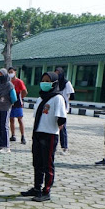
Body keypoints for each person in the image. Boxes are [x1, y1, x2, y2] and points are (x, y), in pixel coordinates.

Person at [20, 72, 67, 202]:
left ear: (54, 83)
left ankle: (46, 191)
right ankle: (36, 188)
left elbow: (61, 118)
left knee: (47, 164)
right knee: (37, 163)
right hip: (38, 132)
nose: (45, 83)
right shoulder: (41, 98)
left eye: (48, 81)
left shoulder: (58, 98)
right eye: (43, 80)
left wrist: (57, 128)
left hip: (50, 134)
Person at [0, 69, 17, 153]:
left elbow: (14, 98)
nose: (0, 76)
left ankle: (6, 146)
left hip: (5, 107)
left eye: (1, 74)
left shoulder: (9, 85)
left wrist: (10, 104)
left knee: (4, 126)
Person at [55, 67, 75, 154]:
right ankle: (53, 146)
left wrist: (65, 101)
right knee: (53, 128)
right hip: (55, 107)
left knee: (62, 128)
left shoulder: (67, 83)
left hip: (63, 109)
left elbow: (72, 96)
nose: (57, 74)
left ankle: (65, 147)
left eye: (59, 72)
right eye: (56, 72)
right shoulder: (54, 83)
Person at [9, 67, 28, 144]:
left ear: (15, 72)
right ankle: (13, 135)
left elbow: (24, 91)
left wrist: (21, 98)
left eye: (11, 72)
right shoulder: (9, 82)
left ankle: (23, 136)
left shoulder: (19, 81)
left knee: (20, 119)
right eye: (9, 72)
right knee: (11, 119)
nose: (10, 73)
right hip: (10, 102)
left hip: (18, 102)